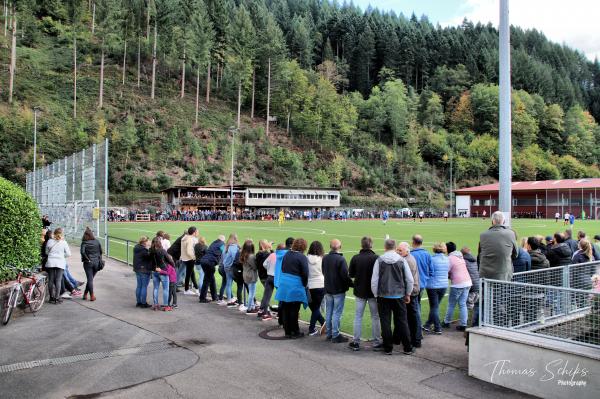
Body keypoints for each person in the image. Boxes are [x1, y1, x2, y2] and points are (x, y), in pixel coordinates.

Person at [474, 211, 518, 328]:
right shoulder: (510, 233)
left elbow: (480, 253)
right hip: (503, 273)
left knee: (485, 299)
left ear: (492, 221)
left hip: (485, 273)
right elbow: (516, 254)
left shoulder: (483, 235)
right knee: (500, 299)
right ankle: (497, 324)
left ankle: (482, 323)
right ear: (503, 221)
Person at [371, 239, 414, 355]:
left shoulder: (379, 260)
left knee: (385, 322)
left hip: (383, 295)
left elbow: (374, 280)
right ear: (395, 248)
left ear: (385, 247)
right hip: (399, 295)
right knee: (402, 321)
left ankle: (388, 348)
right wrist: (408, 293)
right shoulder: (401, 260)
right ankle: (407, 347)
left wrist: (376, 294)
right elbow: (409, 279)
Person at [348, 237, 381, 351]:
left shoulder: (356, 258)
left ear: (362, 245)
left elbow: (351, 274)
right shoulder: (376, 258)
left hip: (360, 291)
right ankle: (377, 342)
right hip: (372, 292)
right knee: (375, 317)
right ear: (371, 245)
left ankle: (356, 342)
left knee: (358, 317)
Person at [275, 238, 309, 339]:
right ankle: (295, 331)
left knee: (286, 308)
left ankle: (288, 331)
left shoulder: (287, 254)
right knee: (294, 309)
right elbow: (305, 273)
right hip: (295, 284)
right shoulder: (302, 257)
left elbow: (283, 268)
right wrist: (304, 284)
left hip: (284, 283)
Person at [322, 239, 353, 343]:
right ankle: (335, 335)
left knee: (329, 312)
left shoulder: (325, 258)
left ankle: (330, 333)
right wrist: (352, 285)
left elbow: (323, 272)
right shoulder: (341, 259)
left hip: (328, 288)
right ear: (340, 247)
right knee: (336, 313)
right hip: (338, 290)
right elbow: (345, 276)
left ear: (330, 246)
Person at [443, 242, 472, 331]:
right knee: (462, 304)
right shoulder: (460, 256)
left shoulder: (450, 258)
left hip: (458, 284)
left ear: (447, 249)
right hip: (467, 282)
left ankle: (446, 322)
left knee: (451, 304)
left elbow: (446, 271)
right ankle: (463, 324)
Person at [397, 242, 421, 348]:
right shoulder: (407, 258)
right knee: (408, 315)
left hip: (411, 292)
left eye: (400, 250)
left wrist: (407, 294)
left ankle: (416, 339)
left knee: (412, 316)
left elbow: (408, 280)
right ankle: (407, 337)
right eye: (397, 250)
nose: (398, 252)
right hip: (410, 291)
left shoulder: (408, 261)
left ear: (407, 251)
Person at [424, 242, 449, 334]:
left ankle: (437, 328)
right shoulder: (447, 259)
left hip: (432, 286)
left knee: (434, 307)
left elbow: (428, 271)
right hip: (443, 285)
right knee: (435, 306)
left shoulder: (431, 259)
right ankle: (427, 324)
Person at [46, 228, 71, 304]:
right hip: (60, 262)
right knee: (58, 280)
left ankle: (51, 297)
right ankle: (57, 298)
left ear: (54, 233)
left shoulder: (49, 241)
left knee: (51, 280)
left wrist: (52, 255)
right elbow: (69, 254)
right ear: (62, 234)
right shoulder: (64, 242)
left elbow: (46, 252)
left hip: (51, 262)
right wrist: (61, 255)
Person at [150, 236, 174, 310]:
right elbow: (170, 260)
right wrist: (173, 266)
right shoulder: (162, 251)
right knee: (165, 289)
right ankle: (166, 305)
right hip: (163, 271)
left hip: (155, 271)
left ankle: (155, 304)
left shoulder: (151, 251)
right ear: (160, 243)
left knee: (155, 288)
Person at [306, 241, 326, 336]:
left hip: (310, 285)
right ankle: (312, 328)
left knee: (314, 307)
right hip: (320, 284)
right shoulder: (322, 259)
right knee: (316, 308)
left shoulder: (306, 258)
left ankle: (322, 323)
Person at [199, 235, 225, 303]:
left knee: (211, 279)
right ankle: (202, 298)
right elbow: (224, 253)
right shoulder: (222, 244)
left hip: (204, 261)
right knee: (206, 280)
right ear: (223, 240)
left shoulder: (214, 243)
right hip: (210, 263)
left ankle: (214, 297)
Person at [259, 244, 281, 320]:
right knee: (280, 296)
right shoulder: (282, 256)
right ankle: (279, 314)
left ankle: (265, 313)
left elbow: (264, 264)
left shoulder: (272, 255)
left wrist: (269, 270)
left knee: (266, 296)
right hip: (277, 278)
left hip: (269, 277)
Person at [80, 227, 103, 301]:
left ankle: (91, 295)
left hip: (88, 263)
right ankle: (85, 294)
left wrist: (87, 259)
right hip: (96, 262)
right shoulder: (97, 241)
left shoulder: (84, 242)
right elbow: (101, 251)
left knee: (90, 279)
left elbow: (82, 252)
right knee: (90, 279)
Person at [133, 236, 152, 308]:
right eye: (147, 241)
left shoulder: (137, 247)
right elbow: (150, 257)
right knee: (144, 287)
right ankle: (143, 303)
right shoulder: (144, 250)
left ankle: (138, 302)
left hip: (137, 269)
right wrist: (149, 247)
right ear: (144, 242)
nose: (148, 242)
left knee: (139, 286)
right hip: (144, 270)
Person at [241, 240, 258, 314]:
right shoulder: (251, 256)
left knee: (251, 292)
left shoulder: (243, 254)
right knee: (252, 293)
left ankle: (252, 306)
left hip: (246, 274)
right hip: (251, 275)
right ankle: (249, 308)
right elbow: (255, 267)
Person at [222, 234, 240, 306]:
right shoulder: (234, 247)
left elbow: (223, 256)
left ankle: (229, 300)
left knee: (228, 284)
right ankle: (240, 302)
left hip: (226, 266)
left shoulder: (226, 246)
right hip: (231, 267)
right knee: (239, 284)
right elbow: (234, 258)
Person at [181, 227, 199, 295]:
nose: (198, 233)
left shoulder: (184, 238)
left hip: (184, 258)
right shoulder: (190, 239)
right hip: (189, 259)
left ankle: (196, 289)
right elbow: (189, 251)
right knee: (189, 275)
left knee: (191, 274)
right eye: (197, 232)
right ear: (194, 232)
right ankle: (187, 289)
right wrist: (194, 257)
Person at [461, 247, 480, 311]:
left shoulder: (463, 261)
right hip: (477, 284)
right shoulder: (474, 260)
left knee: (468, 305)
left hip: (470, 285)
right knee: (476, 304)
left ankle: (467, 320)